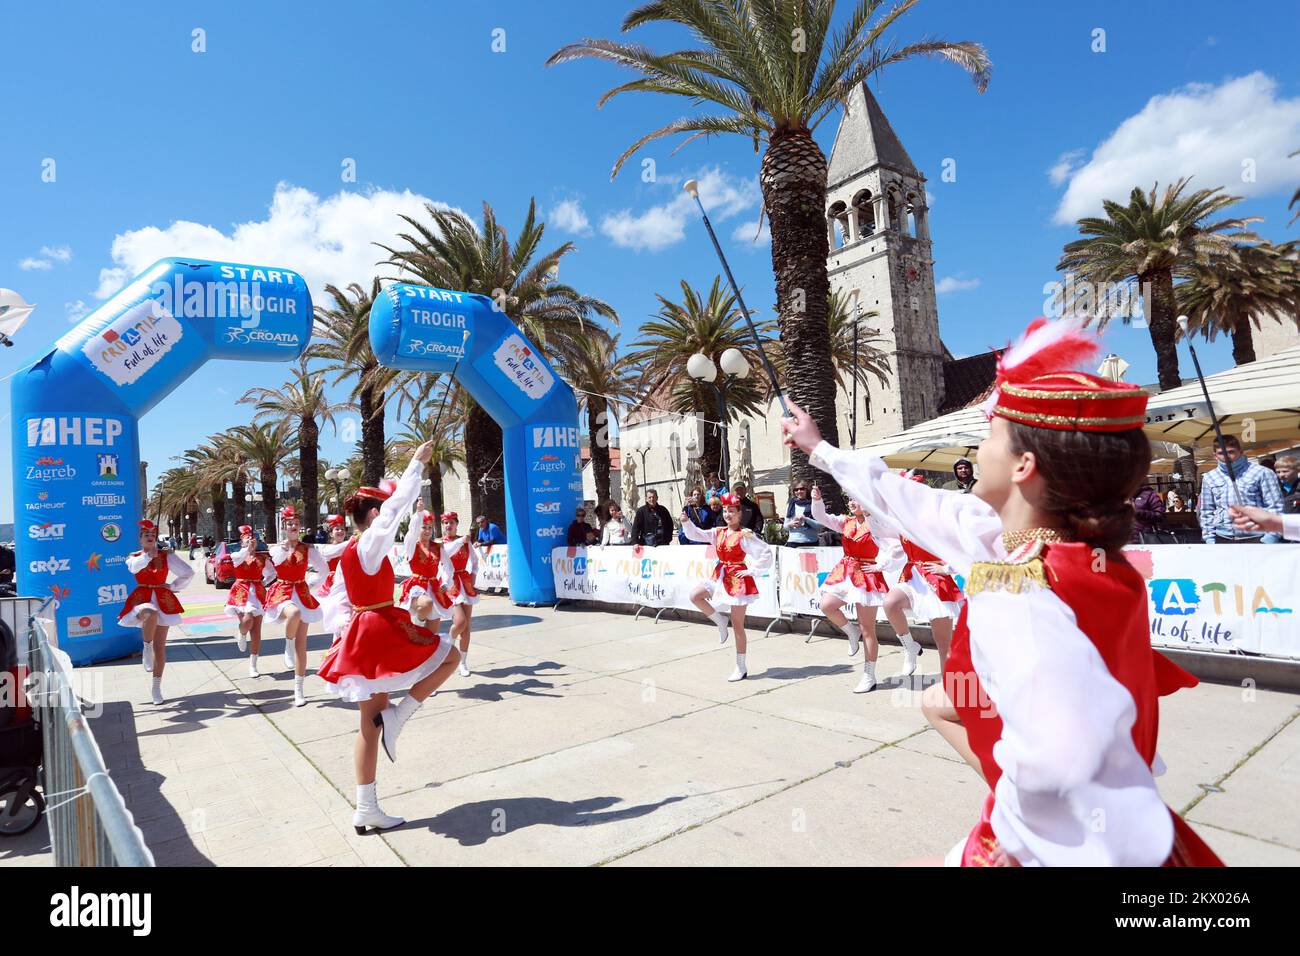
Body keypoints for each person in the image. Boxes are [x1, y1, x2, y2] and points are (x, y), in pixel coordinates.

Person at [782, 317, 1223, 867]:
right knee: (943, 701)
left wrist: (1013, 839)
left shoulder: (1017, 587)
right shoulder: (1048, 548)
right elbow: (908, 500)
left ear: (1023, 465)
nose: (977, 445)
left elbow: (1065, 762)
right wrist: (820, 449)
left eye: (991, 433)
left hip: (1070, 846)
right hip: (1115, 819)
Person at [316, 443, 461, 834]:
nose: (389, 520)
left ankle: (366, 808)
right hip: (377, 627)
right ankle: (402, 714)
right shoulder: (368, 541)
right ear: (375, 514)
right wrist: (416, 463)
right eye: (384, 513)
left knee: (368, 722)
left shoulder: (350, 549)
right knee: (450, 655)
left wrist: (345, 633)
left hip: (361, 633)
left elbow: (338, 600)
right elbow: (396, 508)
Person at [681, 493, 773, 681]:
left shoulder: (744, 535)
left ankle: (741, 666)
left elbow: (765, 552)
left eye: (731, 511)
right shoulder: (718, 532)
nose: (727, 514)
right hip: (720, 574)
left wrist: (752, 571)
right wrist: (686, 521)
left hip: (737, 580)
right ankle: (719, 621)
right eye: (725, 511)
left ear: (739, 514)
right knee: (695, 595)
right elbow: (697, 534)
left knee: (738, 625)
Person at [810, 487, 891, 693]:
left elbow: (894, 544)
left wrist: (881, 565)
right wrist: (817, 499)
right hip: (845, 572)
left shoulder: (877, 524)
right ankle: (850, 631)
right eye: (850, 499)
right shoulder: (845, 521)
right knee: (826, 605)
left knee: (868, 629)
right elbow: (820, 516)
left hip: (867, 573)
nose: (852, 503)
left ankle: (869, 674)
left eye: (857, 499)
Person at [119, 519, 194, 705]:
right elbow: (134, 567)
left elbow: (188, 572)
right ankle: (146, 646)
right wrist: (147, 557)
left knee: (160, 648)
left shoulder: (166, 556)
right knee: (149, 613)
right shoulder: (133, 556)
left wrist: (173, 585)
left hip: (163, 598)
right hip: (142, 597)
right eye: (146, 535)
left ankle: (156, 687)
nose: (150, 537)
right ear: (140, 539)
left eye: (153, 534)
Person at [264, 506, 329, 707]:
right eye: (289, 524)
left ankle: (298, 689)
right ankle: (287, 642)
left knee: (303, 646)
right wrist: (284, 548)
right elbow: (274, 564)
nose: (293, 527)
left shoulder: (307, 549)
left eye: (296, 524)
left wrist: (311, 583)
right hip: (282, 591)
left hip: (301, 592)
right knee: (294, 613)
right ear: (283, 526)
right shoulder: (276, 548)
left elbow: (324, 570)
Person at [1197, 435, 1284, 543]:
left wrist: (1271, 537)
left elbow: (1275, 507)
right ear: (1215, 455)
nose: (1226, 456)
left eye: (1231, 452)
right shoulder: (1209, 477)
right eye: (1221, 453)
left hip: (1257, 537)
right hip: (1222, 537)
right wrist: (1209, 538)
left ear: (1241, 451)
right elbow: (1206, 511)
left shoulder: (1262, 473)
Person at [225, 525, 275, 677]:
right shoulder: (237, 555)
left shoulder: (262, 558)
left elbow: (272, 573)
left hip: (257, 592)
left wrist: (263, 583)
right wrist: (247, 549)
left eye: (252, 537)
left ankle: (253, 665)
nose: (250, 540)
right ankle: (241, 632)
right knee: (247, 620)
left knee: (256, 631)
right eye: (246, 537)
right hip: (241, 591)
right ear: (242, 540)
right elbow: (240, 557)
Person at [439, 512, 479, 677]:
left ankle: (462, 662)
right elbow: (447, 552)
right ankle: (446, 644)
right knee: (460, 622)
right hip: (450, 584)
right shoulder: (439, 543)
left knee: (467, 628)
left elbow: (475, 561)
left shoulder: (465, 542)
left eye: (451, 523)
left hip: (465, 582)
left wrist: (473, 577)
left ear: (456, 524)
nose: (448, 526)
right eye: (446, 523)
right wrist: (461, 540)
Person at [399, 506, 453, 629]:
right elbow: (411, 533)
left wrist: (446, 583)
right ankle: (417, 626)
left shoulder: (438, 547)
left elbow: (449, 567)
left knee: (432, 635)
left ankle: (421, 634)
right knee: (426, 604)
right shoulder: (412, 545)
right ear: (418, 528)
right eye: (424, 527)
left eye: (430, 528)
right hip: (417, 586)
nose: (427, 531)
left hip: (434, 587)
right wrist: (418, 514)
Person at [782, 481, 824, 547]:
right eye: (796, 490)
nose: (799, 491)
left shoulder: (814, 504)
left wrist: (806, 519)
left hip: (811, 543)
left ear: (806, 490)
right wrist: (791, 524)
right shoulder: (791, 505)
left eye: (802, 489)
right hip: (793, 543)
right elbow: (785, 526)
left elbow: (820, 525)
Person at [1232, 504, 1300, 542]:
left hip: (1258, 538)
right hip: (1224, 536)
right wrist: (1275, 524)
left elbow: (1276, 506)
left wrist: (1272, 533)